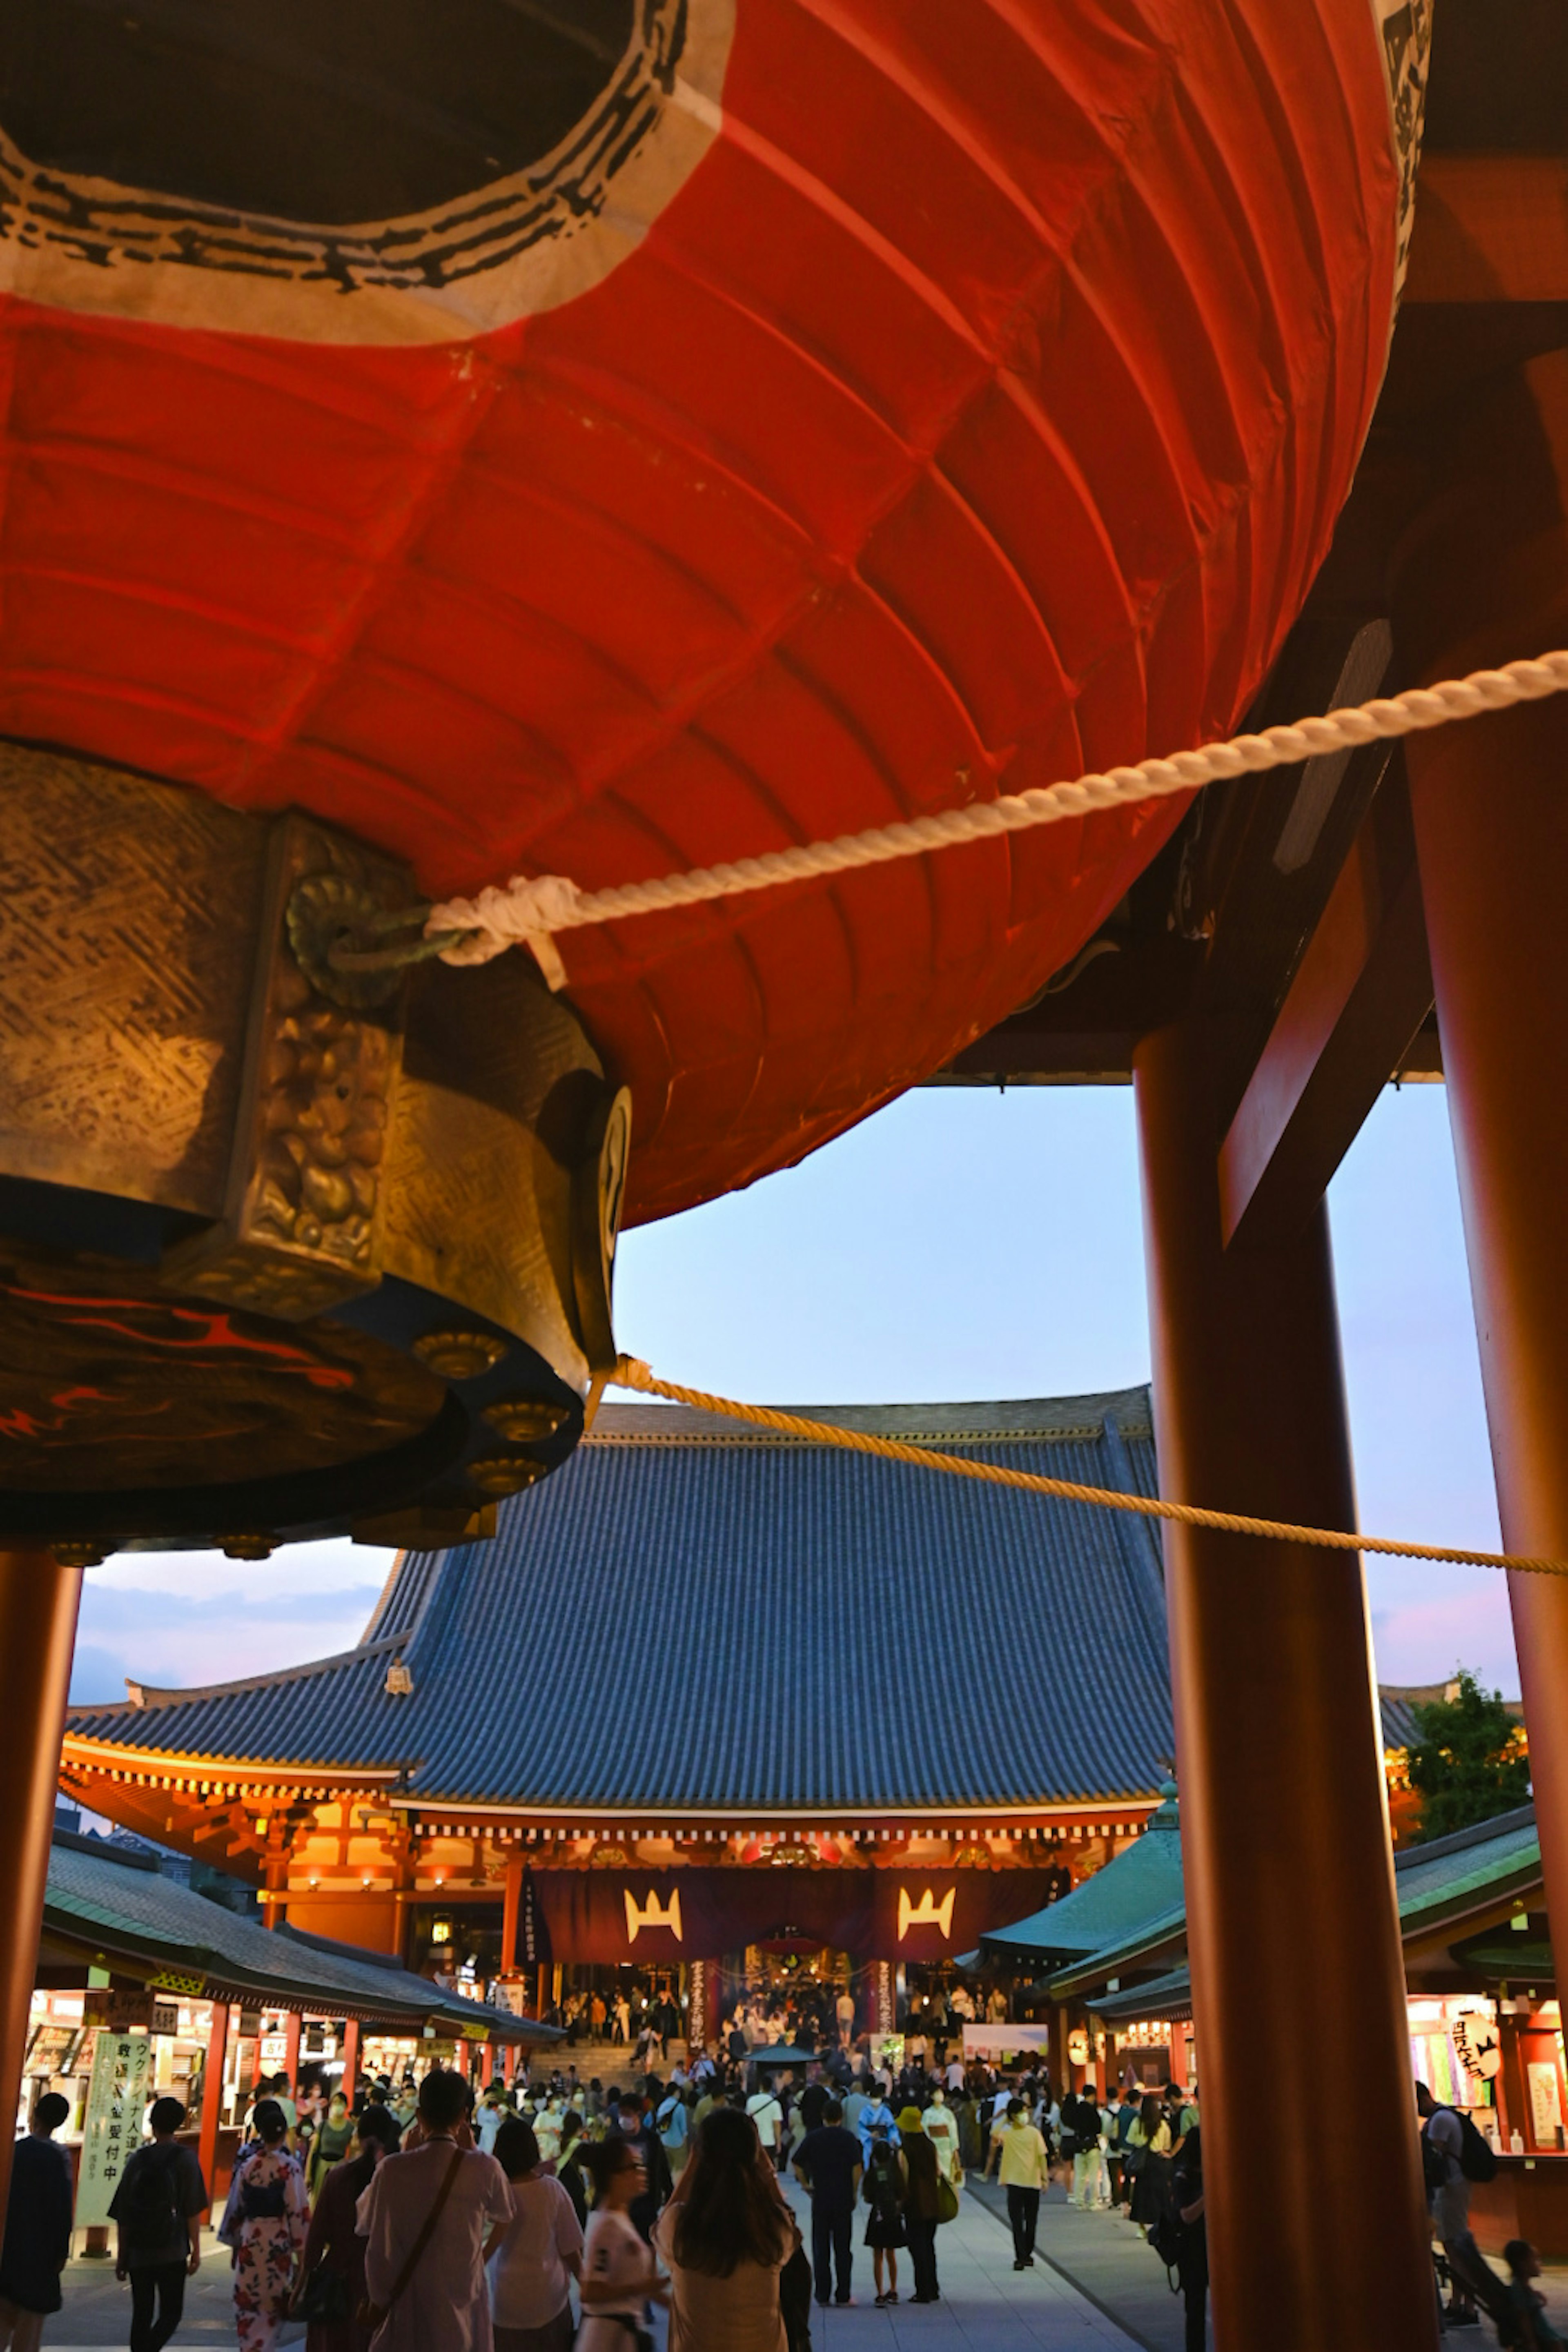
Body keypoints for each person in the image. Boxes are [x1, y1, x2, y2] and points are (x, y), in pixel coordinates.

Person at [354, 2069, 514, 2352]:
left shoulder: (392, 2170)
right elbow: (505, 2215)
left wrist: (407, 2153)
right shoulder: (484, 2168)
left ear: (419, 2116)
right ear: (464, 2115)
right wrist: (480, 2259)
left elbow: (364, 2223)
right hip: (462, 2312)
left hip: (405, 2312)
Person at [655, 2107, 796, 2350]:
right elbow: (789, 2221)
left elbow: (660, 2225)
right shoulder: (771, 2226)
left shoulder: (680, 2226)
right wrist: (765, 2163)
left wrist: (691, 2167)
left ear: (700, 2156)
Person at [297, 2103, 401, 2352]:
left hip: (338, 2281)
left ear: (358, 2136)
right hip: (380, 2280)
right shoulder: (398, 2181)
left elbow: (316, 2238)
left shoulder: (337, 2178)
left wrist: (301, 2286)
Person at [485, 2117, 582, 2352]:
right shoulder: (551, 2189)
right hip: (549, 2300)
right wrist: (587, 2285)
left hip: (506, 2303)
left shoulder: (493, 2195)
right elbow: (571, 2248)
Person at [220, 2097, 307, 2352]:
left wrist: (235, 2246)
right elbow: (298, 2214)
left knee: (248, 2308)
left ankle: (250, 2348)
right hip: (278, 2246)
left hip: (250, 2241)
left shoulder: (249, 2166)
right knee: (272, 2310)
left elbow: (235, 2209)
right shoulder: (290, 2168)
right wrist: (303, 2260)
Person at [0, 2092, 74, 2352]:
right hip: (40, 2252)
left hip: (10, 2244)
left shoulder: (15, 2151)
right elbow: (63, 2210)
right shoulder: (60, 2158)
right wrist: (61, 2251)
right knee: (30, 2327)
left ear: (35, 2114)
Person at [578, 2140, 667, 2352]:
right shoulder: (607, 2225)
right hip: (605, 2340)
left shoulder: (619, 2217)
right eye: (635, 2166)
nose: (643, 2171)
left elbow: (641, 2285)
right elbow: (590, 2291)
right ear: (615, 2176)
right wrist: (641, 2288)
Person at [792, 2098, 862, 2310]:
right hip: (843, 2199)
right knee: (843, 2249)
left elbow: (797, 2162)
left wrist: (806, 2185)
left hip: (821, 2199)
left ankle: (822, 2294)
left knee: (821, 2248)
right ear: (841, 2117)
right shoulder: (849, 2139)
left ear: (823, 2117)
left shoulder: (814, 2138)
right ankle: (843, 2294)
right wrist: (854, 2191)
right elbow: (857, 2167)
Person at [987, 2098, 1049, 2272]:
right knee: (1016, 2222)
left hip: (1032, 2181)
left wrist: (1045, 2179)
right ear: (1014, 2116)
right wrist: (1006, 2120)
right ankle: (1020, 2256)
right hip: (1014, 2182)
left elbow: (1042, 2157)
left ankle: (1027, 2252)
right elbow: (994, 2133)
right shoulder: (1007, 2134)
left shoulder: (1034, 2133)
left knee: (1031, 2222)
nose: (1026, 2115)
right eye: (1022, 2112)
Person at [897, 2107, 941, 2306]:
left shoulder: (906, 2149)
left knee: (917, 2248)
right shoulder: (930, 2145)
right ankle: (933, 2288)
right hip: (932, 2203)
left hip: (915, 2204)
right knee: (929, 2246)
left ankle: (922, 2290)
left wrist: (900, 2203)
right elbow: (938, 2172)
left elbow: (904, 2177)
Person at [861, 2125, 907, 2309]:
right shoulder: (896, 2172)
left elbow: (867, 2196)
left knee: (877, 2255)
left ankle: (880, 2293)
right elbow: (902, 2192)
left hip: (877, 2214)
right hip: (893, 2215)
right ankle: (894, 2289)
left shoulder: (872, 2173)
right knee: (891, 2254)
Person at [1172, 2121, 1208, 2352]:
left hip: (1204, 2247)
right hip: (1193, 2249)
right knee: (1195, 2308)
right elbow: (1186, 2215)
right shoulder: (1183, 2178)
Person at [1502, 2241, 1565, 2349]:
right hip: (1550, 2341)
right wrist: (1531, 2343)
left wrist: (1535, 2295)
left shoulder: (1521, 2287)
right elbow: (1523, 2318)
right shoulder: (1520, 2291)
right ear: (1523, 2265)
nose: (1539, 2263)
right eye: (1535, 2260)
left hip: (1552, 2338)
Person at [1127, 2094, 1173, 2238]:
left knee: (1141, 2195)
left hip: (1143, 2163)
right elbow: (1167, 2145)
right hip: (1158, 2161)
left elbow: (1131, 2140)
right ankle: (1160, 2225)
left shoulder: (1137, 2122)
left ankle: (1141, 2228)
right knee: (1160, 2195)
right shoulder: (1162, 2124)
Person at [308, 2092, 357, 2201]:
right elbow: (313, 2150)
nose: (337, 2105)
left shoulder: (350, 2128)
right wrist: (308, 2174)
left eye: (340, 2102)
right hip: (322, 2166)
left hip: (339, 2167)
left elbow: (353, 2152)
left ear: (345, 2106)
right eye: (335, 2102)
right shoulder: (323, 2125)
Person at [921, 2085, 960, 2186]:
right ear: (932, 2096)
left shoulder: (948, 2113)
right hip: (933, 2144)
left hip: (946, 2146)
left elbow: (953, 2131)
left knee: (946, 2172)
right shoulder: (927, 2113)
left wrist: (955, 2148)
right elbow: (925, 2130)